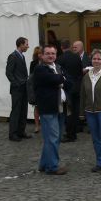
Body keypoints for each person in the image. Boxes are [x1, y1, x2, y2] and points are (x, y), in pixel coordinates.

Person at [33, 45, 67, 175]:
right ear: (42, 55)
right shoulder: (40, 69)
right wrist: (61, 78)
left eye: (53, 53)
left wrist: (61, 79)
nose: (50, 56)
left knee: (54, 138)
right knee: (52, 138)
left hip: (60, 107)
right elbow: (55, 79)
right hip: (48, 109)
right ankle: (52, 167)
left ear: (56, 55)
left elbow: (66, 80)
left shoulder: (57, 67)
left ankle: (44, 164)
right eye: (47, 53)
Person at [5, 37, 32, 141]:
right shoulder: (13, 56)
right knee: (16, 111)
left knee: (23, 110)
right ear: (20, 44)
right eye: (26, 44)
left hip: (24, 87)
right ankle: (13, 134)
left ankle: (21, 131)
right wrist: (16, 84)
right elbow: (8, 73)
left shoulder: (21, 56)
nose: (28, 46)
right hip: (17, 89)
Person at [57, 39, 83, 142]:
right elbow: (80, 72)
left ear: (61, 47)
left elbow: (59, 75)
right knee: (76, 110)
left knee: (68, 112)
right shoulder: (77, 57)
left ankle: (70, 134)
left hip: (67, 88)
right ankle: (74, 131)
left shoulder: (60, 59)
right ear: (70, 46)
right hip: (77, 87)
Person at [30, 46, 42, 133]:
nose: (40, 55)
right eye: (39, 53)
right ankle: (37, 125)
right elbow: (31, 76)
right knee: (37, 107)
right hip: (37, 87)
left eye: (41, 53)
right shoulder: (33, 63)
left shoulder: (48, 62)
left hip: (45, 87)